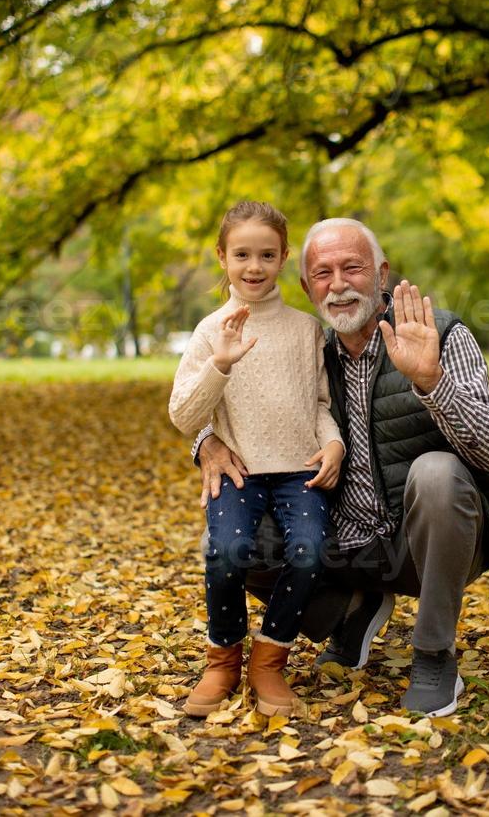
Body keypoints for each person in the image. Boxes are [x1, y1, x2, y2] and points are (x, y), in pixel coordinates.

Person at [196, 218, 489, 718]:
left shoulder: (439, 335)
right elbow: (239, 402)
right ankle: (350, 612)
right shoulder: (307, 350)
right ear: (306, 287)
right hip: (342, 546)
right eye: (322, 273)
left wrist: (431, 382)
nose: (339, 284)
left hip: (427, 545)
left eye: (353, 268)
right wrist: (205, 442)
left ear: (382, 273)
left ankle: (434, 654)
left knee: (435, 472)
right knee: (233, 535)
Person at [168, 201, 344, 718]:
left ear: (284, 257)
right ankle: (223, 658)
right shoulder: (209, 331)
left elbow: (318, 403)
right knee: (226, 553)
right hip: (239, 470)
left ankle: (270, 658)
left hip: (299, 470)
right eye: (242, 254)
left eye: (267, 254)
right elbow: (183, 414)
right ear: (221, 257)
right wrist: (219, 365)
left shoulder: (306, 328)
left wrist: (332, 443)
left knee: (310, 550)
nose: (254, 266)